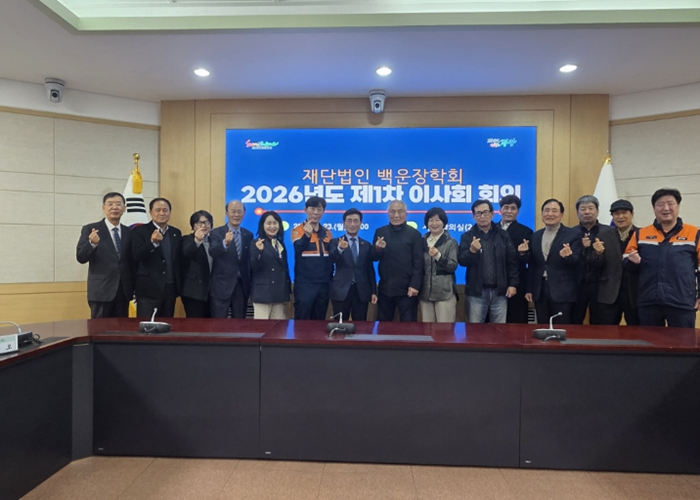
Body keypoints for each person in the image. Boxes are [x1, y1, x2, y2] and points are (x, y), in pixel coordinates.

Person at [624, 188, 700, 328]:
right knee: (650, 341)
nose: (666, 208)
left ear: (678, 206)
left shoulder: (694, 233)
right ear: (654, 208)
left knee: (683, 341)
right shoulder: (641, 234)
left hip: (682, 301)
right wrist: (632, 262)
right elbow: (626, 263)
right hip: (649, 301)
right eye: (660, 204)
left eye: (670, 203)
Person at [459, 199, 518, 323]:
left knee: (500, 330)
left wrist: (513, 284)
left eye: (485, 212)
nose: (482, 216)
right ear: (473, 216)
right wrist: (472, 251)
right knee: (475, 331)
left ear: (492, 214)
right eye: (478, 213)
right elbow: (462, 260)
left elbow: (512, 261)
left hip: (500, 292)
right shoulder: (467, 236)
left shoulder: (503, 235)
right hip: (476, 293)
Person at [524, 198, 582, 325]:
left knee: (561, 328)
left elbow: (577, 263)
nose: (550, 214)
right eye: (547, 210)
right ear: (542, 214)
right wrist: (529, 289)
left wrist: (567, 257)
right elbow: (533, 265)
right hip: (540, 290)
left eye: (554, 211)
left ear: (561, 214)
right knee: (543, 327)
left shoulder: (573, 234)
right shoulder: (535, 236)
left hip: (563, 291)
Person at [76, 192, 134, 318]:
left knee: (122, 327)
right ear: (103, 208)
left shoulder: (129, 232)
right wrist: (92, 243)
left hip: (123, 291)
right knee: (99, 328)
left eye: (118, 204)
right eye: (110, 204)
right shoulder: (91, 229)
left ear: (124, 208)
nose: (114, 207)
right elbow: (81, 257)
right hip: (101, 290)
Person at [371, 200, 424, 322]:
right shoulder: (380, 232)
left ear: (406, 214)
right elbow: (373, 257)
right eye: (392, 212)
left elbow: (418, 262)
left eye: (400, 212)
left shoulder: (414, 234)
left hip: (407, 290)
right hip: (385, 288)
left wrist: (415, 285)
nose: (396, 215)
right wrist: (378, 249)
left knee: (409, 325)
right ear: (387, 213)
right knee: (383, 326)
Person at [131, 197, 182, 318]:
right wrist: (152, 242)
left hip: (170, 288)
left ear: (170, 212)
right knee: (147, 325)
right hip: (148, 289)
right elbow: (137, 256)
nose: (162, 213)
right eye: (158, 210)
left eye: (165, 210)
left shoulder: (175, 232)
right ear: (151, 212)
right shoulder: (139, 231)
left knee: (167, 324)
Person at [594, 200, 639, 325]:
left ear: (632, 214)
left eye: (624, 213)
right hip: (609, 292)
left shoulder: (641, 234)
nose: (620, 217)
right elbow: (597, 265)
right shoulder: (603, 236)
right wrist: (598, 254)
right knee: (607, 332)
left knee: (636, 332)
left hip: (634, 292)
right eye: (616, 214)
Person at [328, 208, 377, 321]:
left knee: (361, 326)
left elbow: (370, 269)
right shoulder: (335, 242)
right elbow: (330, 260)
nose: (352, 224)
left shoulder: (366, 244)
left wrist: (373, 291)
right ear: (344, 223)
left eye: (356, 221)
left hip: (361, 292)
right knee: (339, 324)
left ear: (360, 223)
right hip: (341, 290)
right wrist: (340, 249)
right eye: (349, 221)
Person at [571, 195, 613, 324]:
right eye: (583, 209)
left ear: (597, 211)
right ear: (577, 213)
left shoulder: (609, 232)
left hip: (601, 285)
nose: (587, 212)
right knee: (574, 321)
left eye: (590, 208)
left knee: (600, 323)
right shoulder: (570, 233)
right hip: (576, 285)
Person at [208, 200, 253, 318]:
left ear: (244, 213)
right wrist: (225, 243)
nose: (236, 215)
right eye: (233, 211)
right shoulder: (216, 233)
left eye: (239, 211)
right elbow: (213, 251)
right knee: (218, 324)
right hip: (221, 287)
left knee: (239, 324)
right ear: (226, 213)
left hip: (241, 287)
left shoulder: (248, 235)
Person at [291, 196, 333, 320]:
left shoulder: (327, 232)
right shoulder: (298, 230)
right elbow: (298, 248)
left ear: (323, 211)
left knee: (319, 321)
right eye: (312, 209)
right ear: (305, 210)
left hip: (324, 285)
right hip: (305, 285)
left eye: (319, 209)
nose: (315, 213)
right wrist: (307, 236)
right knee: (302, 320)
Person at [498, 195, 534, 323]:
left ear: (518, 211)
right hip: (495, 283)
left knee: (516, 321)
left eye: (513, 208)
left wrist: (523, 254)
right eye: (506, 207)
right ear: (500, 210)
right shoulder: (491, 229)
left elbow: (531, 261)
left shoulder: (526, 232)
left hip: (518, 283)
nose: (509, 211)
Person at [419, 207, 458, 323]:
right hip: (425, 292)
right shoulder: (421, 241)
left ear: (443, 222)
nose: (434, 223)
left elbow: (452, 266)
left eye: (437, 220)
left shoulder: (451, 242)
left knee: (445, 330)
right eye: (431, 220)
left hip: (444, 293)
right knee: (427, 330)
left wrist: (438, 256)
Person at [250, 211, 291, 320]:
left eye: (275, 223)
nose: (272, 226)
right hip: (263, 294)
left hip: (278, 293)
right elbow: (254, 266)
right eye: (268, 223)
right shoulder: (256, 243)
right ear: (262, 225)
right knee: (261, 328)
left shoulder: (280, 243)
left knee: (279, 327)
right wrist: (259, 251)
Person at [180, 210, 214, 318]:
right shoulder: (187, 239)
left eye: (207, 223)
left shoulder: (214, 240)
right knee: (195, 323)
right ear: (193, 226)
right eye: (199, 223)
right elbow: (187, 252)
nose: (203, 226)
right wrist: (197, 241)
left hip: (212, 290)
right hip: (194, 291)